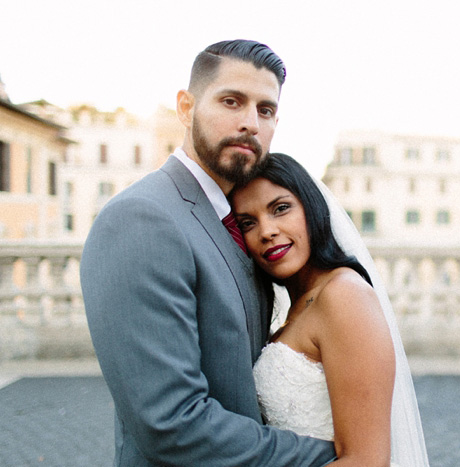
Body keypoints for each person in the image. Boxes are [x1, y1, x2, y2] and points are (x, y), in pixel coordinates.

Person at [80, 41, 336, 466]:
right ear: (186, 108)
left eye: (266, 110)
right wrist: (332, 454)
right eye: (231, 102)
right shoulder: (141, 219)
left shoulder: (242, 222)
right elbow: (171, 423)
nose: (250, 123)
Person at [232, 153, 431, 466]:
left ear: (311, 208)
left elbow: (366, 460)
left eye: (280, 208)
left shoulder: (343, 295)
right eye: (248, 222)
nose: (267, 231)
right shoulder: (301, 304)